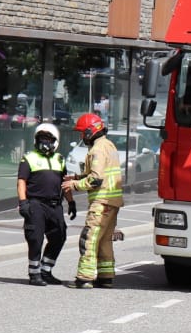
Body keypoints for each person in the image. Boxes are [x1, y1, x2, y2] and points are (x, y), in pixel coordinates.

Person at [65, 112, 122, 289]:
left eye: (82, 133)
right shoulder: (109, 145)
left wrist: (74, 184)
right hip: (113, 202)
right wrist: (76, 176)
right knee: (105, 240)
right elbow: (101, 173)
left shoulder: (96, 149)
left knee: (89, 238)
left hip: (101, 201)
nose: (82, 137)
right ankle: (106, 277)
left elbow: (96, 179)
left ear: (90, 132)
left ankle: (84, 278)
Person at [15, 122, 74, 286]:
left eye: (48, 139)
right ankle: (34, 274)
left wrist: (71, 202)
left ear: (55, 141)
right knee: (35, 238)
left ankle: (46, 270)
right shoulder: (29, 158)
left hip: (55, 206)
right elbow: (21, 182)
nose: (45, 142)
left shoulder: (60, 160)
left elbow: (65, 182)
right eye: (42, 139)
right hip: (36, 204)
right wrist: (23, 203)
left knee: (59, 236)